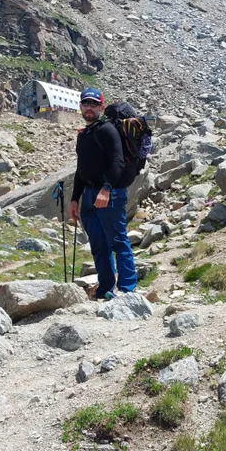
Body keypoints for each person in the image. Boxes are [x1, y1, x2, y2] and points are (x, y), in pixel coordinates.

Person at [69, 87, 137, 299]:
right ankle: (105, 289)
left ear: (101, 106)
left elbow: (117, 162)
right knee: (98, 245)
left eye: (93, 104)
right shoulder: (84, 135)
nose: (89, 108)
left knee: (117, 241)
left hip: (110, 193)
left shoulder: (107, 130)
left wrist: (106, 189)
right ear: (80, 106)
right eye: (86, 103)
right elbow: (81, 170)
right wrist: (74, 199)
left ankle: (128, 291)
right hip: (88, 195)